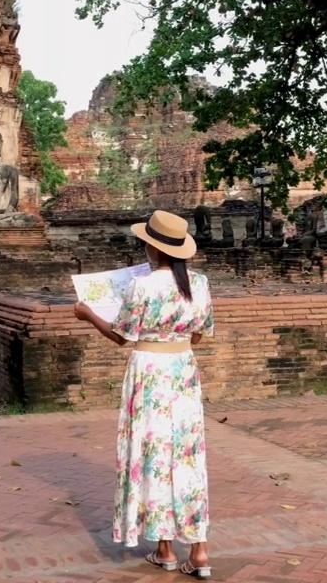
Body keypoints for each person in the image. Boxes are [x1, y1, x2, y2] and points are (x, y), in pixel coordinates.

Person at [73, 209, 215, 579]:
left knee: (152, 452)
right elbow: (199, 334)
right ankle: (194, 549)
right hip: (183, 369)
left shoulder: (143, 286)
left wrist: (88, 314)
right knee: (186, 455)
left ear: (153, 248)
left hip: (149, 372)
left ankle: (164, 545)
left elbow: (122, 336)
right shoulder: (198, 284)